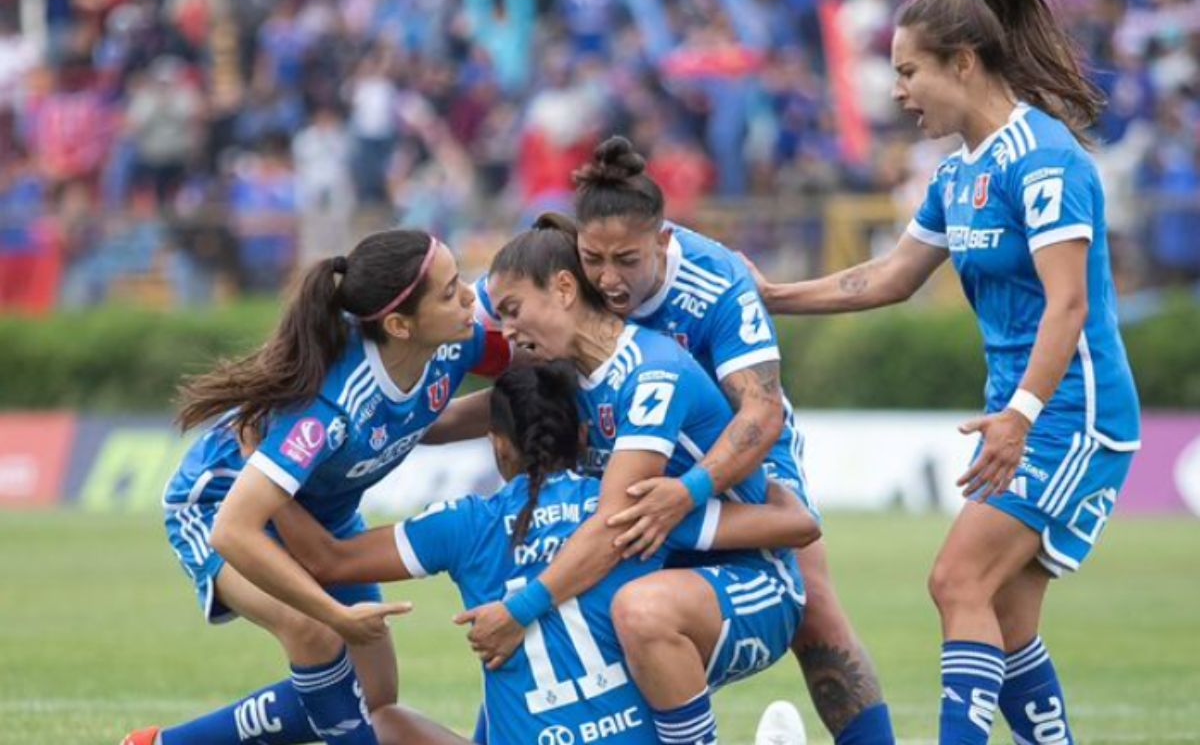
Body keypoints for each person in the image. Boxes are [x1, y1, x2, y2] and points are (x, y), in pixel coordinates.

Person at [744, 0, 1140, 744]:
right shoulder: (959, 174)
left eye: (908, 70)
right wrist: (774, 298)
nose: (897, 91)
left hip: (1071, 412)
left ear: (962, 63)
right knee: (1005, 618)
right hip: (1023, 415)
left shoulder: (1047, 160)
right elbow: (889, 277)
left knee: (955, 578)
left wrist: (1021, 415)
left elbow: (1070, 303)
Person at [474, 136, 893, 744]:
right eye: (595, 260)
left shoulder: (715, 281)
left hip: (732, 451)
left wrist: (691, 490)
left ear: (662, 241)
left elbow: (762, 411)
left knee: (813, 603)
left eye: (627, 260)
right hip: (631, 461)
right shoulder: (564, 274)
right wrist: (410, 420)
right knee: (582, 595)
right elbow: (501, 361)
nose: (610, 280)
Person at [271, 361, 821, 745]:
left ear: (499, 445)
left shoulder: (466, 524)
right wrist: (771, 476)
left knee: (386, 724)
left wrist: (267, 471)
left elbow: (328, 560)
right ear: (585, 434)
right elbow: (794, 526)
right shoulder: (631, 509)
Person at [123, 230, 511, 745]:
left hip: (321, 509)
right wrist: (335, 614)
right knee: (313, 632)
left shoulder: (454, 341)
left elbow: (439, 417)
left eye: (460, 278)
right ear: (398, 324)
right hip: (221, 506)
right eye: (448, 291)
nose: (469, 296)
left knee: (373, 695)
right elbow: (234, 531)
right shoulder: (331, 407)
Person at [460, 219, 808, 745]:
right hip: (666, 567)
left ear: (562, 287)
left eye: (512, 311)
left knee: (633, 609)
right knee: (537, 670)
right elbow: (478, 412)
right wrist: (389, 420)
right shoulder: (569, 376)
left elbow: (614, 526)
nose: (506, 331)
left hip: (749, 587)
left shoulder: (649, 373)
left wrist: (517, 610)